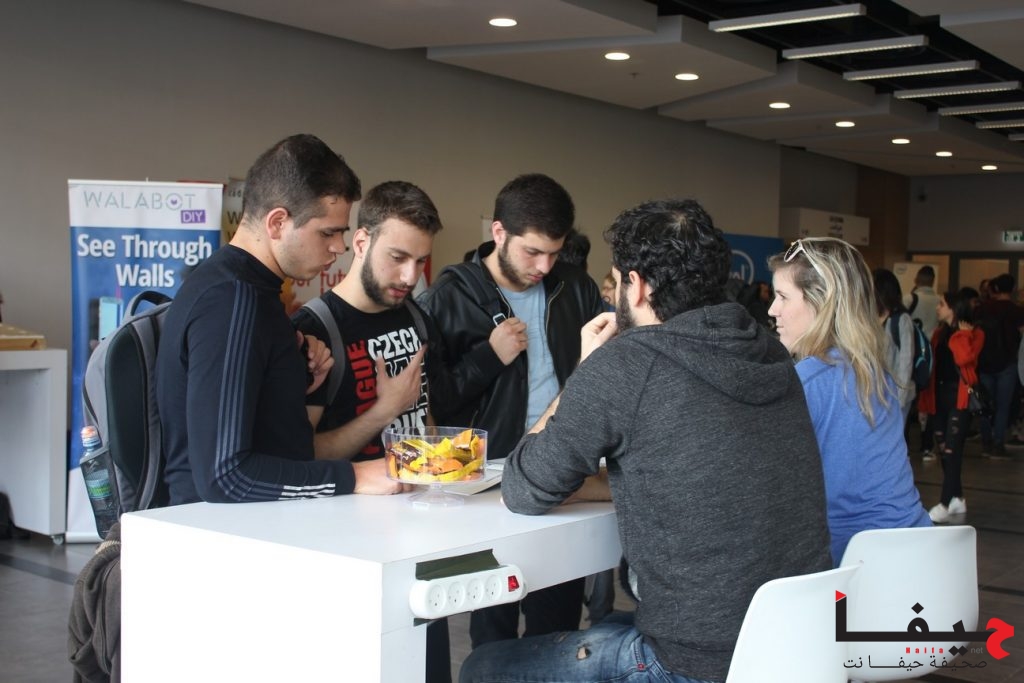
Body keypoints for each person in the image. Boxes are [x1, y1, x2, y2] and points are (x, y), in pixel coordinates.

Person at [459, 198, 831, 683]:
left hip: (696, 663)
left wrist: (585, 370)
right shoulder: (768, 351)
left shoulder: (629, 363)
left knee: (484, 666)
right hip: (799, 647)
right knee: (606, 626)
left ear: (635, 285)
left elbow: (522, 487)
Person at [157, 134, 403, 506]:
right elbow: (225, 478)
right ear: (276, 223)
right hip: (220, 532)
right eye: (328, 232)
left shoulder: (252, 291)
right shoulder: (232, 300)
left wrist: (293, 380)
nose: (339, 248)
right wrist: (353, 476)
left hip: (258, 523)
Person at [417, 173, 603, 649]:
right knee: (493, 622)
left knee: (557, 623)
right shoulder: (448, 296)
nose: (544, 265)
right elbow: (435, 403)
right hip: (487, 478)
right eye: (532, 252)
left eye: (554, 253)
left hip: (560, 469)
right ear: (498, 233)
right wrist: (488, 357)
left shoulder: (575, 288)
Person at [291, 179, 451, 683]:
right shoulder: (316, 330)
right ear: (361, 242)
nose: (409, 276)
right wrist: (384, 410)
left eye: (420, 261)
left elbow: (422, 414)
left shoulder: (416, 316)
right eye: (397, 257)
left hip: (420, 536)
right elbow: (302, 456)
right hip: (348, 550)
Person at [768, 238, 930, 565]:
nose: (773, 310)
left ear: (822, 303)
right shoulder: (875, 374)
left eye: (783, 297)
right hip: (921, 554)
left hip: (854, 569)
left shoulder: (805, 384)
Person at [919, 289, 985, 522]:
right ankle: (957, 497)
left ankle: (945, 503)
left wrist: (962, 336)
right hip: (939, 397)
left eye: (942, 304)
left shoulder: (974, 334)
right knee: (944, 450)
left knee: (952, 451)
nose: (938, 308)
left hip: (960, 398)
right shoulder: (939, 333)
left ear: (954, 309)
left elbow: (964, 358)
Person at [973, 274, 1024, 458]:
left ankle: (985, 442)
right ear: (1012, 289)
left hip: (984, 363)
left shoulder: (981, 309)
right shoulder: (1017, 311)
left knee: (985, 404)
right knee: (1003, 406)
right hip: (1007, 364)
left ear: (994, 289)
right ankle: (998, 443)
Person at [873, 268, 915, 418]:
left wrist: (900, 400)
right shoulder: (871, 317)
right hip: (876, 395)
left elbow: (906, 362)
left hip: (895, 395)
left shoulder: (901, 319)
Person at [904, 265, 940, 338]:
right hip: (934, 342)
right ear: (933, 282)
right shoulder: (940, 301)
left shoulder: (909, 299)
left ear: (915, 280)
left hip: (914, 341)